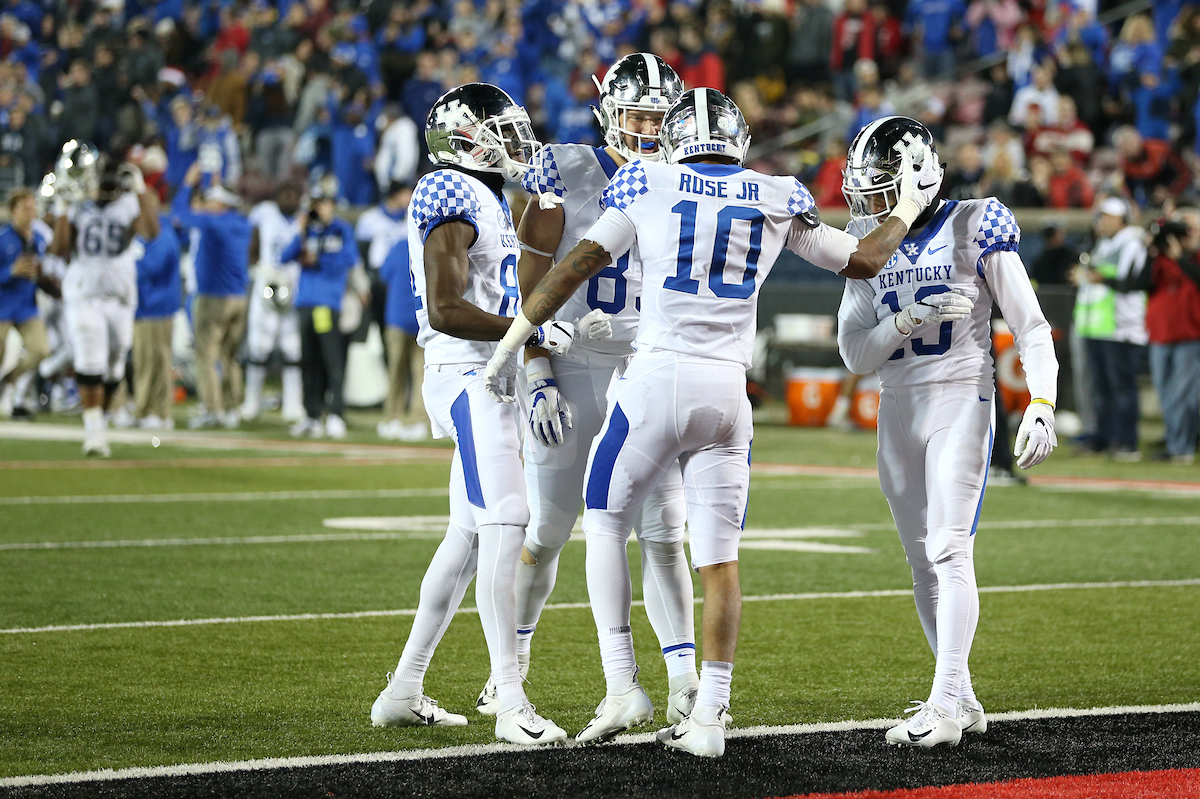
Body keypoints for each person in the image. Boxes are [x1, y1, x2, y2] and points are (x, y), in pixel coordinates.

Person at [485, 92, 945, 757]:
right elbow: (867, 260)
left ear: (673, 137)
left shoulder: (648, 178)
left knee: (606, 520)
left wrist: (512, 347)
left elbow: (574, 267)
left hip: (656, 379)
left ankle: (623, 685)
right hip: (729, 392)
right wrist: (906, 206)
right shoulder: (775, 192)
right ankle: (709, 716)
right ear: (740, 139)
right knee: (718, 560)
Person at [370, 83, 601, 745]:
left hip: (485, 372)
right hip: (466, 373)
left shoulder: (491, 194)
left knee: (468, 538)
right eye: (500, 130)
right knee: (509, 519)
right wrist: (525, 330)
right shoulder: (447, 189)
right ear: (463, 138)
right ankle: (509, 700)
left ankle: (403, 688)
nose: (514, 141)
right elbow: (445, 307)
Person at [481, 53, 700, 744]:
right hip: (573, 361)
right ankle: (508, 670)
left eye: (657, 117)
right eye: (636, 114)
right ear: (609, 109)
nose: (646, 127)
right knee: (546, 528)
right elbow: (533, 275)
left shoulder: (683, 176)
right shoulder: (564, 168)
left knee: (665, 532)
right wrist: (537, 366)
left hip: (645, 363)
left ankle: (686, 681)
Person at [836, 116, 1059, 748]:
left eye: (880, 186)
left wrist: (1042, 399)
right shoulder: (867, 240)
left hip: (962, 395)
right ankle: (957, 694)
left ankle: (944, 700)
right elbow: (856, 353)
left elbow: (1031, 326)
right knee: (919, 561)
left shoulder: (974, 222)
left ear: (916, 177)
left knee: (947, 549)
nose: (867, 200)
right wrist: (908, 318)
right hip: (897, 404)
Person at [51, 144, 160, 457]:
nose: (104, 189)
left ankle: (101, 420)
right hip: (83, 293)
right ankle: (94, 431)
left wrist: (140, 189)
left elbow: (151, 232)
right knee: (90, 360)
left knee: (114, 365)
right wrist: (62, 208)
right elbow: (59, 249)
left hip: (120, 296)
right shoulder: (78, 204)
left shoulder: (130, 202)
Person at [171, 163, 252, 430]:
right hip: (239, 298)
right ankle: (231, 409)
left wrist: (187, 183)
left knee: (205, 357)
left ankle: (212, 409)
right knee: (230, 358)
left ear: (220, 203)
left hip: (214, 298)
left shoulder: (215, 224)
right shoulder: (242, 223)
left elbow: (181, 213)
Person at [1071, 197, 1147, 459]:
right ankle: (1103, 438)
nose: (1100, 221)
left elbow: (1129, 281)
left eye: (1107, 216)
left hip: (1120, 325)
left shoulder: (1132, 241)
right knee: (1101, 389)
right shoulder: (1104, 242)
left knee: (1121, 387)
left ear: (1121, 219)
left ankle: (1127, 441)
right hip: (1098, 325)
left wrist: (1098, 276)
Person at [280, 183, 357, 439]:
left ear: (331, 205)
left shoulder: (341, 230)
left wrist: (320, 259)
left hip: (327, 304)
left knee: (331, 359)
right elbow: (285, 256)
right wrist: (300, 232)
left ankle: (335, 414)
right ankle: (311, 415)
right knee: (308, 361)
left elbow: (348, 259)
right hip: (305, 303)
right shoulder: (306, 231)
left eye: (322, 203)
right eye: (315, 204)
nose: (318, 209)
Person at [241, 182, 304, 422]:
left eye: (293, 194)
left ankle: (293, 403)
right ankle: (251, 402)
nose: (289, 199)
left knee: (293, 350)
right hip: (267, 288)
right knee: (258, 348)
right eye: (284, 194)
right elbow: (253, 247)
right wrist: (259, 270)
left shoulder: (304, 217)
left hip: (294, 290)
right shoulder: (264, 214)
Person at [1142, 216, 1200, 463]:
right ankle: (1175, 443)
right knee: (1166, 394)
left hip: (1190, 334)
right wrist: (1151, 252)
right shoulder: (1159, 261)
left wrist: (1180, 258)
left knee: (1184, 395)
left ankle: (1182, 447)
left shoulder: (1193, 259)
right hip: (1160, 334)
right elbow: (1141, 283)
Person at [0, 188, 51, 417]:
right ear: (13, 211)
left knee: (41, 350)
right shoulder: (2, 238)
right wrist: (11, 271)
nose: (31, 213)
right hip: (2, 306)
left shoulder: (39, 238)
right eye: (25, 208)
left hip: (27, 307)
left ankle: (8, 379)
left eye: (33, 208)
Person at [375, 229, 427, 441]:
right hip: (423, 320)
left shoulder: (398, 246)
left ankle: (393, 418)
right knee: (420, 375)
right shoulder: (431, 246)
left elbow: (383, 275)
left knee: (397, 372)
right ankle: (418, 421)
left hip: (398, 319)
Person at [132, 213, 182, 429]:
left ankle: (159, 413)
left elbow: (152, 268)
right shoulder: (148, 236)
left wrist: (129, 262)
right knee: (144, 362)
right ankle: (144, 410)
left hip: (157, 308)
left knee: (157, 361)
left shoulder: (163, 236)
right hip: (145, 308)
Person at [356, 180, 411, 362]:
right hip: (377, 279)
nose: (410, 197)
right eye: (406, 192)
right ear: (396, 194)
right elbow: (361, 256)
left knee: (401, 331)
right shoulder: (370, 219)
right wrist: (363, 284)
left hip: (403, 282)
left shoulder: (412, 218)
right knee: (381, 329)